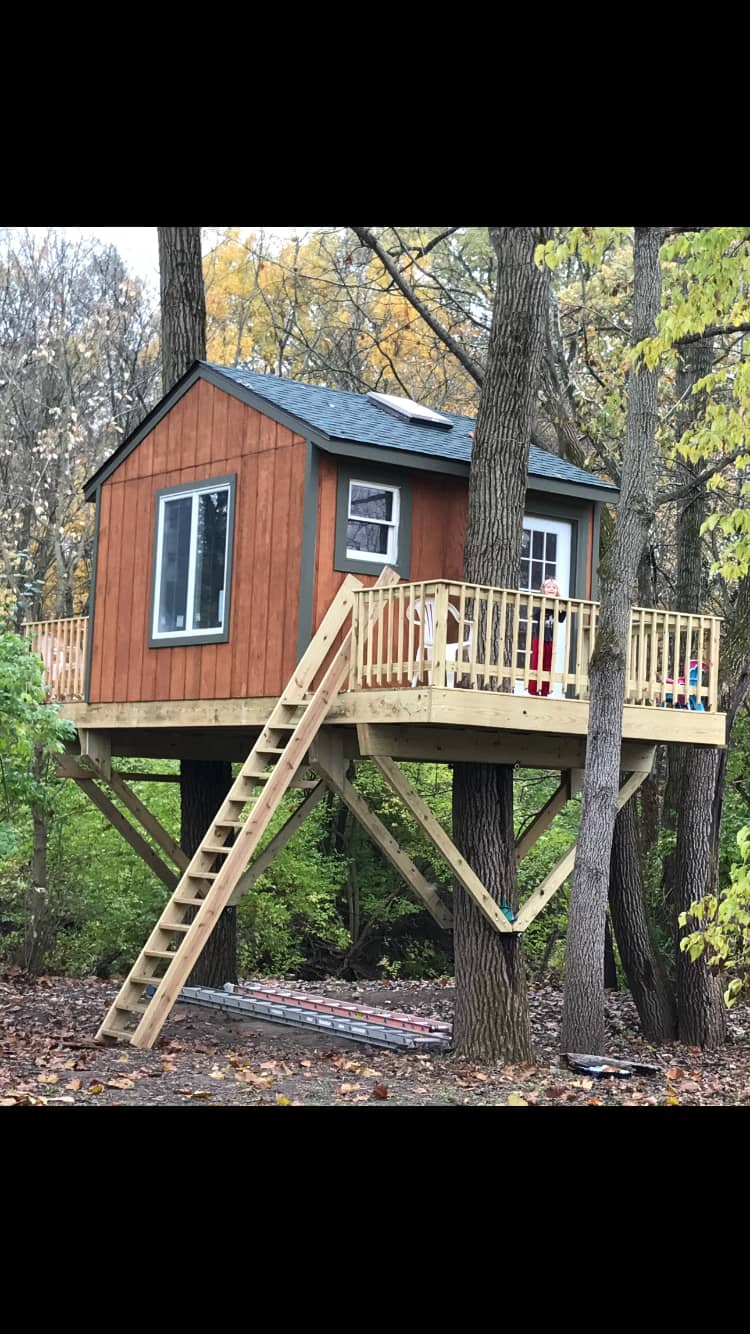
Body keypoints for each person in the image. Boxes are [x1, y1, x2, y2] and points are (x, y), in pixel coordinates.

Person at [528, 578, 566, 697]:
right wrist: (543, 604)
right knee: (536, 663)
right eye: (548, 587)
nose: (551, 589)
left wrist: (563, 607)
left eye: (554, 588)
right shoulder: (540, 601)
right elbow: (534, 616)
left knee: (548, 665)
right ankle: (533, 690)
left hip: (550, 639)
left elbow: (560, 619)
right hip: (538, 638)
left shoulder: (556, 604)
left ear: (557, 591)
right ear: (543, 590)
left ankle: (545, 691)